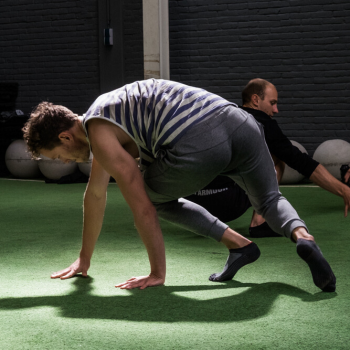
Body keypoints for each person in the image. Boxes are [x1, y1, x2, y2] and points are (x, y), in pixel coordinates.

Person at [22, 79, 336, 292]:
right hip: (241, 123)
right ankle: (300, 237)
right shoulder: (105, 115)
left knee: (149, 196)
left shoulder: (100, 133)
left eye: (58, 155)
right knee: (268, 199)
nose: (63, 162)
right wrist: (84, 258)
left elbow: (142, 207)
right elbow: (95, 195)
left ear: (66, 136)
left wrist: (157, 273)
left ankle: (235, 243)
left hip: (200, 137)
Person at [186, 78, 350, 238]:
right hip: (226, 203)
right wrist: (343, 190)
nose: (276, 110)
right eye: (272, 103)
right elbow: (301, 162)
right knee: (277, 158)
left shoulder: (225, 116)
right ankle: (260, 222)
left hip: (194, 203)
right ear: (256, 100)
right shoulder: (261, 122)